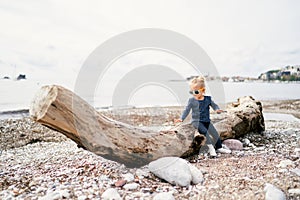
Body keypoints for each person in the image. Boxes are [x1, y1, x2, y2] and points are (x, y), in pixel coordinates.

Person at [175, 76, 231, 157]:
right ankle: (211, 148)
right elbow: (186, 110)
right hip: (196, 121)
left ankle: (219, 147)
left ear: (203, 90)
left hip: (207, 121)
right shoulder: (192, 101)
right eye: (192, 92)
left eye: (196, 92)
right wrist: (181, 118)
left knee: (215, 134)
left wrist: (217, 109)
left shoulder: (208, 99)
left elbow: (214, 105)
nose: (194, 94)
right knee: (205, 133)